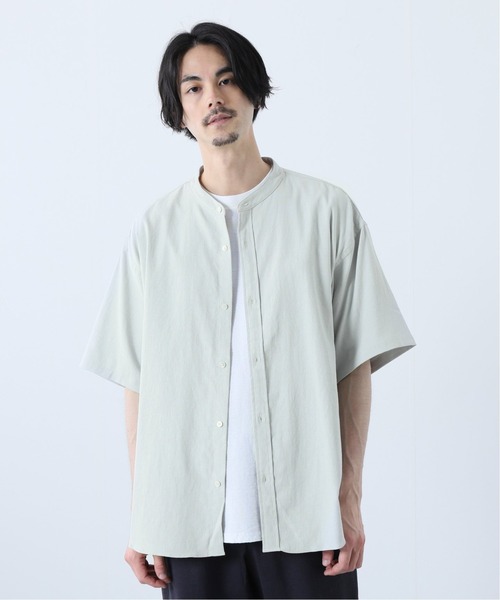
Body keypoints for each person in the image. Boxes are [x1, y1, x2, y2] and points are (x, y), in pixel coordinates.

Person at [81, 22, 415, 600]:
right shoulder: (155, 231)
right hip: (187, 528)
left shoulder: (326, 213)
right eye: (193, 88)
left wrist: (348, 500)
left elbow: (354, 365)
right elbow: (138, 382)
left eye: (227, 79)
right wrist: (144, 514)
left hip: (310, 525)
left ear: (253, 90)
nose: (213, 97)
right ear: (180, 111)